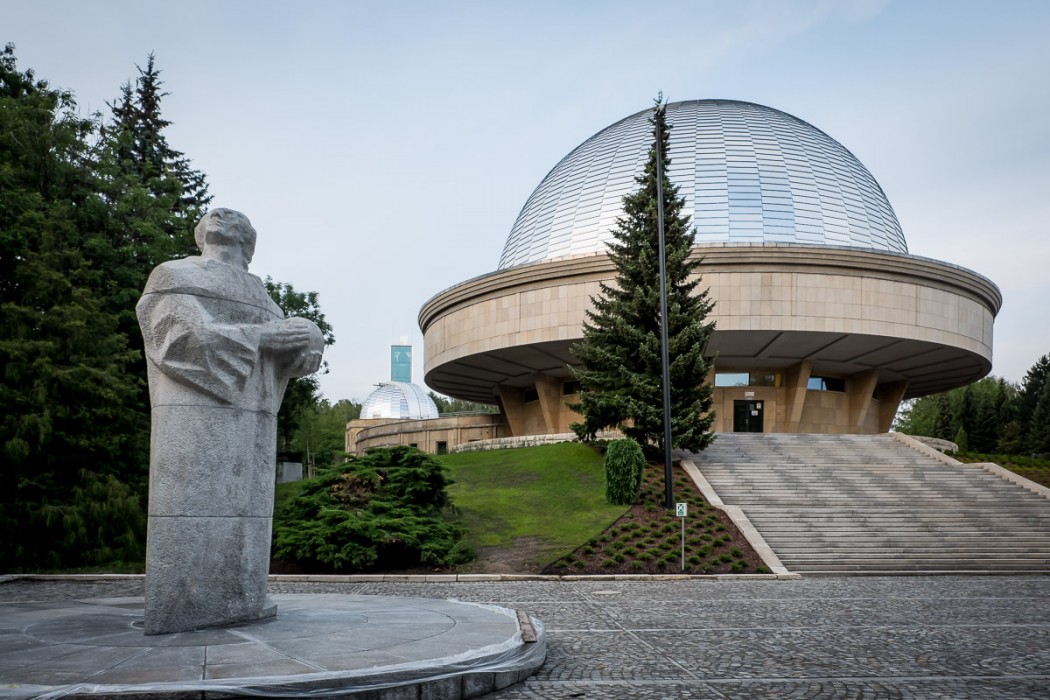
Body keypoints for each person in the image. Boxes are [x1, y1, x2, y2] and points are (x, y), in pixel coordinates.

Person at [136, 208, 324, 634]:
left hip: (253, 419)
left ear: (248, 241)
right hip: (189, 411)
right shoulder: (173, 274)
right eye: (212, 215)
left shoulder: (264, 299)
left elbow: (284, 359)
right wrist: (262, 337)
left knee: (246, 509)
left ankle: (241, 598)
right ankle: (179, 606)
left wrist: (308, 341)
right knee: (186, 499)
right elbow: (178, 340)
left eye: (233, 217)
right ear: (200, 233)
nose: (218, 213)